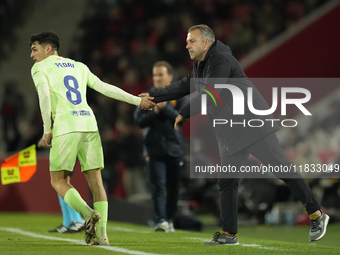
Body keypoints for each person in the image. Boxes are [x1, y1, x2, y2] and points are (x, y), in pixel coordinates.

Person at [139, 24, 329, 244]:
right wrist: (155, 97)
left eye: (191, 41)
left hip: (253, 125)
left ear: (206, 42)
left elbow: (211, 93)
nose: (187, 45)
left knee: (281, 169)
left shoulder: (220, 60)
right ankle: (229, 234)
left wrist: (184, 113)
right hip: (231, 133)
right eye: (187, 41)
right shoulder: (202, 64)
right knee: (227, 182)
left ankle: (317, 214)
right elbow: (184, 85)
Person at [29, 32, 155, 246]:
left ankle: (88, 214)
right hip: (89, 125)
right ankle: (103, 236)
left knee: (58, 180)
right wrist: (136, 100)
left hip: (66, 127)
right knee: (96, 182)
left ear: (47, 49)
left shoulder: (40, 68)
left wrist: (47, 129)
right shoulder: (79, 66)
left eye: (34, 49)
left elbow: (44, 96)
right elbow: (105, 88)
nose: (32, 55)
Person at [134, 61, 187, 232]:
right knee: (157, 186)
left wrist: (165, 110)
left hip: (175, 149)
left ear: (170, 77)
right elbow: (139, 121)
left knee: (173, 189)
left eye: (160, 74)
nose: (157, 78)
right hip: (153, 149)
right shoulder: (147, 96)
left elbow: (183, 118)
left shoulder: (179, 95)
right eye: (155, 74)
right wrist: (155, 111)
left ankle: (169, 218)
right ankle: (161, 220)